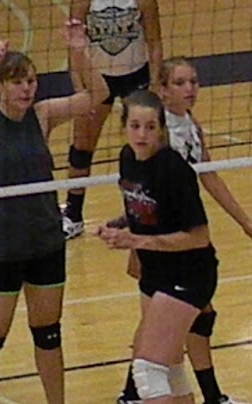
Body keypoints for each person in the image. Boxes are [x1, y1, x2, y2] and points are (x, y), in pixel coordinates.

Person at [0, 33, 106, 404]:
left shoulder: (42, 117)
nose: (27, 88)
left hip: (44, 240)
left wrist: (78, 51)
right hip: (1, 247)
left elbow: (97, 94)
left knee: (49, 333)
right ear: (0, 86)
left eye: (32, 80)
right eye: (17, 81)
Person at [112, 55, 252, 404]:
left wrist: (245, 222)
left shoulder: (190, 126)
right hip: (170, 245)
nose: (190, 89)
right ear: (162, 90)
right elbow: (143, 192)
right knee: (191, 316)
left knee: (161, 318)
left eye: (194, 81)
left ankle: (134, 392)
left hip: (170, 240)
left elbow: (209, 176)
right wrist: (136, 244)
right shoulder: (158, 138)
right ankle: (210, 400)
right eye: (180, 83)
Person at [96, 89, 218, 404]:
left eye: (150, 127)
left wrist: (137, 239)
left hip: (189, 274)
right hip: (159, 273)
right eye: (135, 126)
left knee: (148, 368)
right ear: (124, 128)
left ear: (162, 130)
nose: (142, 134)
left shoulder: (174, 170)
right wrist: (117, 227)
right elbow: (142, 212)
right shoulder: (128, 160)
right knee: (169, 366)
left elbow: (198, 235)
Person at [61, 0, 162, 239]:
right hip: (97, 80)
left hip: (136, 76)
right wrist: (80, 91)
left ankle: (141, 212)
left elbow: (155, 43)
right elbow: (74, 49)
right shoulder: (83, 2)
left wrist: (155, 85)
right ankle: (73, 215)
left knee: (144, 146)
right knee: (81, 147)